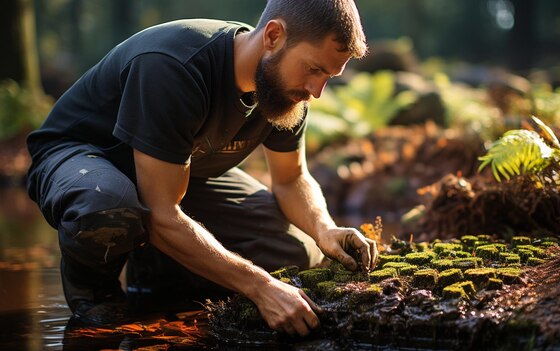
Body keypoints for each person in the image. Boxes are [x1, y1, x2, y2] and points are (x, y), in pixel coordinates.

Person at [26, 0, 378, 336]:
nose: (316, 91)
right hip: (85, 157)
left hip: (178, 173)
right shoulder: (175, 65)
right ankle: (96, 297)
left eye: (329, 76)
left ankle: (156, 275)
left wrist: (325, 228)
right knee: (109, 208)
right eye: (315, 69)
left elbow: (291, 178)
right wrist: (259, 286)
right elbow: (163, 211)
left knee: (294, 250)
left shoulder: (284, 90)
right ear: (273, 36)